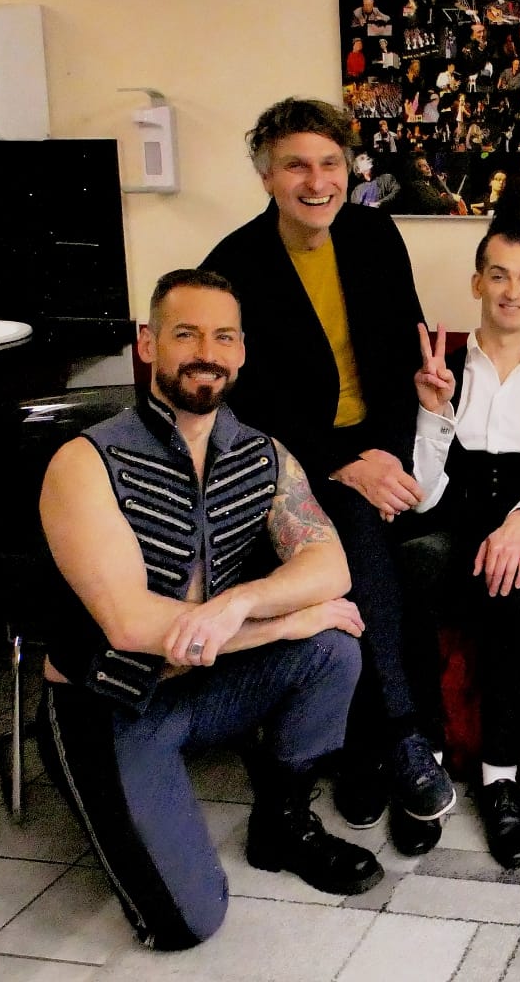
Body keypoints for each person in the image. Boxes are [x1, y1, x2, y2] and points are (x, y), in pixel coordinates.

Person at [37, 269, 381, 949]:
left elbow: (330, 566)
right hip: (109, 704)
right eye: (186, 334)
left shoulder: (262, 454)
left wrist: (242, 600)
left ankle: (282, 825)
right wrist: (285, 620)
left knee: (333, 645)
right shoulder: (86, 462)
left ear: (242, 351)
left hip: (206, 688)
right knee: (189, 923)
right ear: (148, 343)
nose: (206, 352)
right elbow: (132, 626)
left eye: (223, 336)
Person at [198, 99, 451, 860]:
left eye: (330, 163)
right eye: (296, 166)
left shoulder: (375, 235)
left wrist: (387, 457)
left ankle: (366, 752)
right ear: (266, 176)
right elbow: (245, 401)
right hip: (290, 464)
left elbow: (404, 357)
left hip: (383, 449)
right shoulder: (233, 265)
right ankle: (402, 737)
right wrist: (345, 464)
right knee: (359, 532)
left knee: (408, 551)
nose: (317, 181)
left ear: (349, 168)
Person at [403, 194, 520, 870]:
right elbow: (422, 493)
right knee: (415, 562)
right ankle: (421, 764)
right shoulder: (439, 370)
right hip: (449, 527)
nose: (513, 291)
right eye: (500, 275)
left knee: (514, 576)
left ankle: (499, 779)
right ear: (477, 282)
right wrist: (434, 413)